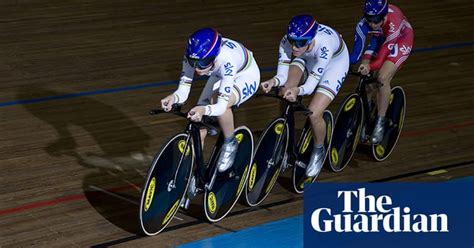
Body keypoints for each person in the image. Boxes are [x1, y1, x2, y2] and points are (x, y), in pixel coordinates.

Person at [161, 28, 260, 178]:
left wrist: (205, 110)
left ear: (214, 55)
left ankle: (230, 141)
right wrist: (173, 98)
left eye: (203, 63)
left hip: (244, 74)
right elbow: (183, 91)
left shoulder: (227, 59)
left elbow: (220, 106)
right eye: (194, 63)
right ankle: (194, 175)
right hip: (218, 74)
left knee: (216, 102)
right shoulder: (192, 57)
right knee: (198, 127)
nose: (197, 68)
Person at [261, 15, 349, 177]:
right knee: (285, 89)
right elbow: (282, 75)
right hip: (307, 57)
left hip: (334, 63)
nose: (294, 46)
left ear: (311, 39)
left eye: (300, 43)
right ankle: (287, 136)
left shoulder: (325, 47)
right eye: (292, 40)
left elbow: (310, 86)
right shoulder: (288, 42)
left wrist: (298, 91)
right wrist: (273, 81)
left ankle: (318, 149)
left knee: (314, 112)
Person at [350, 0, 414, 144]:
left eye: (376, 20)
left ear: (384, 16)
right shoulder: (363, 24)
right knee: (364, 78)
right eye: (369, 20)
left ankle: (380, 121)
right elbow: (355, 55)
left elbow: (380, 60)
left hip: (401, 40)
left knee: (382, 78)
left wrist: (370, 67)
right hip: (380, 37)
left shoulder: (393, 22)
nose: (372, 24)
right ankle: (364, 115)